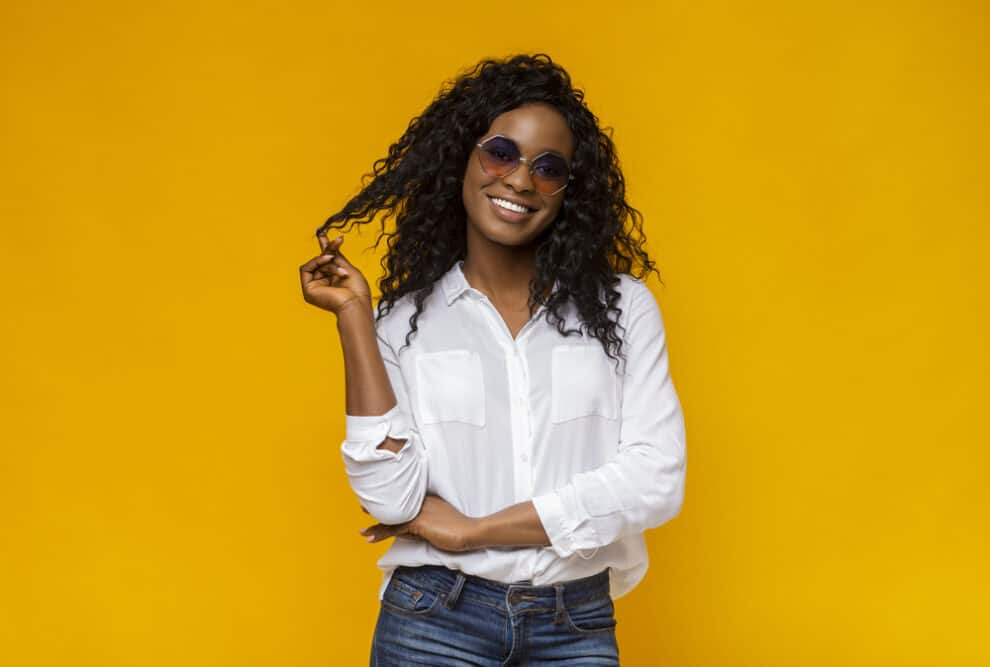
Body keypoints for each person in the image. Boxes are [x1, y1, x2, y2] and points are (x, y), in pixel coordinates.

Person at [298, 53, 687, 666]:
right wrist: (354, 318)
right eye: (502, 152)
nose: (520, 181)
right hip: (434, 618)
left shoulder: (621, 310)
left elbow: (655, 480)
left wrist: (474, 530)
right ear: (464, 158)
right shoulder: (403, 322)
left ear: (568, 192)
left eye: (549, 168)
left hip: (575, 622)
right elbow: (392, 499)